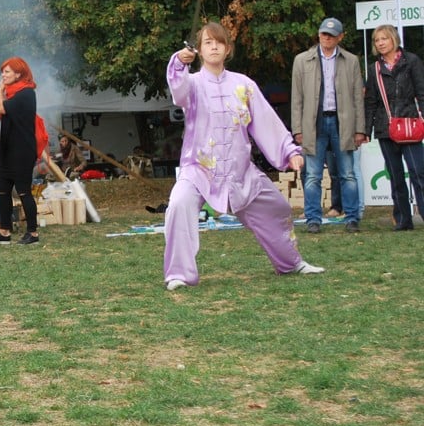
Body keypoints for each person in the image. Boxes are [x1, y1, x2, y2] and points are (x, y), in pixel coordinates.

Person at [164, 22, 324, 290]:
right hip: (199, 170)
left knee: (278, 208)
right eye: (207, 42)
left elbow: (265, 121)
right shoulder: (191, 84)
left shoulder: (244, 85)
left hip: (241, 173)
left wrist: (289, 152)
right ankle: (178, 274)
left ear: (227, 49)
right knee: (179, 204)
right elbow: (178, 92)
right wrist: (178, 63)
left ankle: (291, 262)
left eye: (219, 42)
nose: (214, 46)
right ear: (199, 50)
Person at [290, 17, 365, 234]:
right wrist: (298, 129)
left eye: (331, 35)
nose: (327, 38)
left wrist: (360, 129)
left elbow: (357, 99)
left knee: (347, 173)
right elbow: (297, 98)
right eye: (324, 34)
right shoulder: (302, 60)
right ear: (318, 35)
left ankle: (352, 218)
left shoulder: (351, 61)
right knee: (312, 174)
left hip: (343, 122)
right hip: (314, 123)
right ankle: (313, 218)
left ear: (340, 37)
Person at [363, 24, 424, 230]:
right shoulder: (375, 69)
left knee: (418, 172)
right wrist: (365, 129)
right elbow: (371, 100)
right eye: (376, 40)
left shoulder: (412, 61)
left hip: (410, 125)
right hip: (385, 127)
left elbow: (422, 92)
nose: (380, 43)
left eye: (384, 39)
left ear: (393, 40)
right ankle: (403, 219)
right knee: (395, 176)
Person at [0, 57, 40, 245]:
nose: (3, 75)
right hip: (9, 148)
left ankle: (32, 233)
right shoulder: (13, 94)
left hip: (23, 150)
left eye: (7, 72)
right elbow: (2, 113)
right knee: (3, 191)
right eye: (3, 71)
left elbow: (2, 108)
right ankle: (4, 231)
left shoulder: (26, 93)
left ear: (18, 74)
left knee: (23, 191)